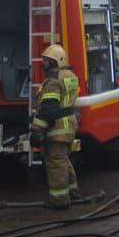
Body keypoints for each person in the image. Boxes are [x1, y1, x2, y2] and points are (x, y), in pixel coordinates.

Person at [29, 44, 80, 210]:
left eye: (46, 61)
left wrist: (37, 131)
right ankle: (73, 193)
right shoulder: (70, 75)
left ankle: (60, 200)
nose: (43, 63)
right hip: (69, 124)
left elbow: (49, 108)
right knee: (63, 160)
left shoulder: (53, 80)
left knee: (56, 163)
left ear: (56, 61)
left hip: (58, 127)